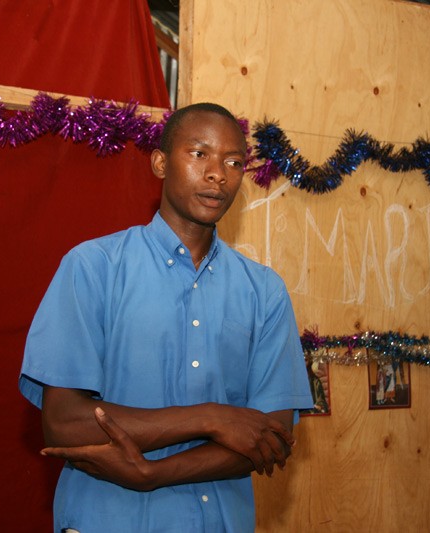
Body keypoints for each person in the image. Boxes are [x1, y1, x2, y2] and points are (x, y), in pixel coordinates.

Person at [19, 102, 313, 533]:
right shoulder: (93, 267)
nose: (218, 174)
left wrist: (153, 474)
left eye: (234, 162)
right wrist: (210, 417)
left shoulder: (263, 291)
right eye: (199, 154)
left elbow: (270, 437)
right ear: (160, 162)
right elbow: (64, 423)